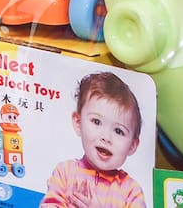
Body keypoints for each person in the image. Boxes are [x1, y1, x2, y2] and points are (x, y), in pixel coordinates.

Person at [41, 73, 146, 208]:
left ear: (132, 145)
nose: (106, 137)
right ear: (78, 122)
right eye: (96, 121)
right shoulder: (65, 172)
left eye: (118, 131)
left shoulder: (131, 191)